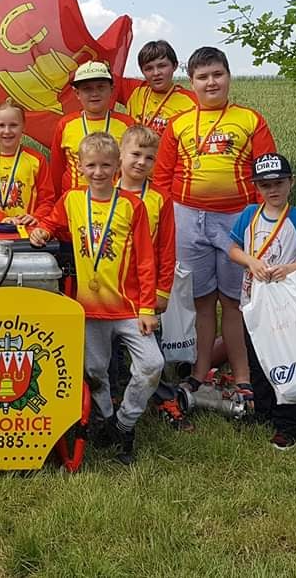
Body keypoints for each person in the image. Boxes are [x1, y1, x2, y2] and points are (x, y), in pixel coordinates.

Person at [30, 133, 162, 465]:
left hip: (129, 307)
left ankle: (125, 421)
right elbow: (52, 223)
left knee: (152, 364)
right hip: (89, 308)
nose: (99, 172)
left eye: (105, 165)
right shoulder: (72, 200)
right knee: (94, 370)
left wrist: (147, 307)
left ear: (117, 166)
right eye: (91, 165)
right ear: (80, 167)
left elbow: (146, 260)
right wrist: (42, 231)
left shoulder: (132, 206)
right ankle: (104, 419)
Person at [153, 47, 276, 397]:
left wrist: (261, 222)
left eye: (217, 74)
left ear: (229, 77)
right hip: (188, 219)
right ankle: (200, 371)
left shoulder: (250, 119)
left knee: (234, 302)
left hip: (237, 220)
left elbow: (266, 176)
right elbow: (161, 178)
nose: (211, 82)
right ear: (191, 82)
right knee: (202, 301)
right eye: (202, 77)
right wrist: (166, 221)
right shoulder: (178, 124)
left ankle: (242, 375)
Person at [228, 153, 296, 450]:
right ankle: (264, 410)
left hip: (285, 306)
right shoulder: (249, 215)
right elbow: (232, 249)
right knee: (257, 360)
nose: (273, 190)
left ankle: (290, 423)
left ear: (291, 182)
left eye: (279, 183)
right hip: (253, 302)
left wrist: (290, 268)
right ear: (256, 187)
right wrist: (250, 261)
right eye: (265, 185)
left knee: (286, 360)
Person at [116, 126, 188, 431]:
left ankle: (164, 399)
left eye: (149, 158)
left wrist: (162, 291)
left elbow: (166, 249)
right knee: (108, 355)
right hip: (110, 289)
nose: (141, 162)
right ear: (120, 154)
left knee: (152, 348)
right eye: (135, 154)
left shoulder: (160, 198)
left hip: (145, 292)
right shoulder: (103, 192)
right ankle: (111, 401)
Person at [50, 61, 135, 196]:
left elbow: (133, 167)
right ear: (77, 93)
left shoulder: (127, 124)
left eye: (101, 87)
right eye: (87, 89)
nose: (95, 93)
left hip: (115, 201)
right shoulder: (66, 124)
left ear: (111, 89)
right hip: (73, 201)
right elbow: (57, 168)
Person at [0, 99, 55, 225]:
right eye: (1, 125)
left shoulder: (37, 160)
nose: (7, 131)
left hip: (27, 228)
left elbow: (47, 200)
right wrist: (2, 218)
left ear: (23, 127)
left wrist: (36, 216)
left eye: (13, 125)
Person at [115, 40, 197, 135]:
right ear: (142, 71)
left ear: (174, 66)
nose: (156, 73)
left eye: (162, 66)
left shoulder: (193, 102)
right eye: (149, 68)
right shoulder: (133, 90)